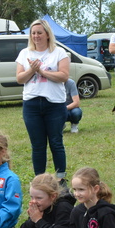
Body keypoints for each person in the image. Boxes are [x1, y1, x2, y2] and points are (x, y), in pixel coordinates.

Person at [16, 19, 70, 180]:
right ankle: (39, 179)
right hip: (31, 104)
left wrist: (42, 71)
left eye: (39, 32)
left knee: (56, 142)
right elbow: (19, 78)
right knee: (38, 145)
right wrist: (32, 70)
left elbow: (64, 76)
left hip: (54, 104)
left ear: (47, 34)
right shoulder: (25, 53)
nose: (36, 36)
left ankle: (60, 178)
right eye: (33, 33)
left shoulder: (59, 52)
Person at [2, 174, 75, 228]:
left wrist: (38, 220)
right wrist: (33, 219)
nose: (34, 201)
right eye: (32, 197)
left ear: (53, 196)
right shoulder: (42, 206)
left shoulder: (64, 207)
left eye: (39, 198)